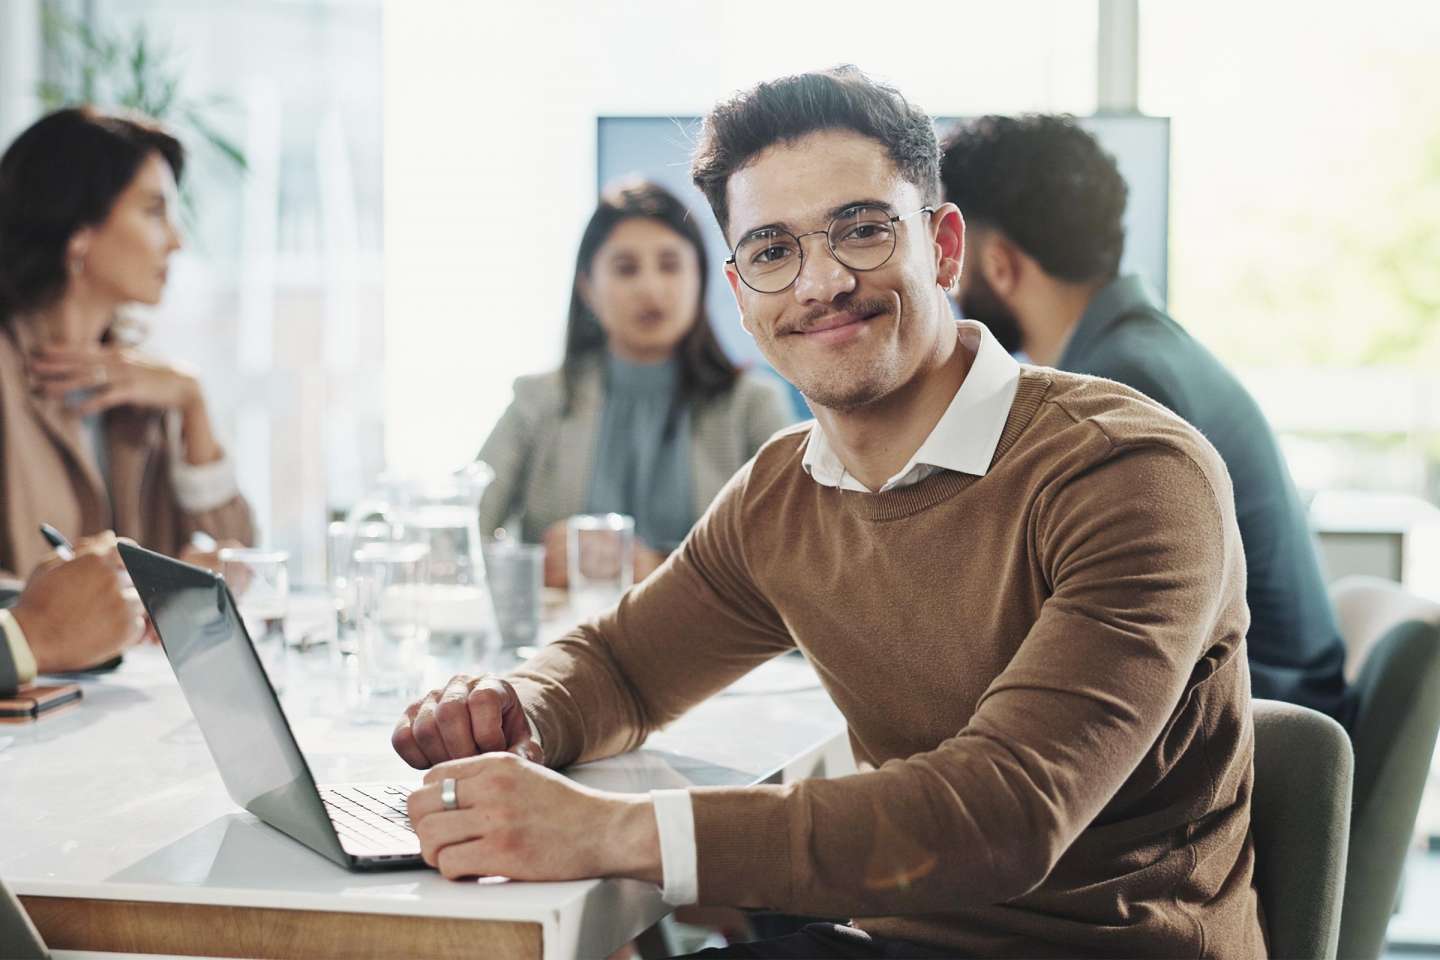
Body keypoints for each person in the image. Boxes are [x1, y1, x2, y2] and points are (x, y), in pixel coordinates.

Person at [393, 68, 1265, 958]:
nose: (819, 282)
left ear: (945, 246)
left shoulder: (1129, 472)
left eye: (862, 231)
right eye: (772, 251)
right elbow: (623, 667)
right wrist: (520, 709)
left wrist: (611, 831)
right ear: (740, 296)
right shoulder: (783, 493)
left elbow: (1005, 813)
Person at [940, 113, 1353, 730]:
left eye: (954, 256)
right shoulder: (1138, 349)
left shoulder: (1120, 385)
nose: (947, 284)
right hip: (1261, 702)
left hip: (1255, 731)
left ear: (998, 263)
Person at [0, 107, 254, 687]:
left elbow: (240, 559)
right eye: (153, 210)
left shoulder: (147, 388)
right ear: (78, 230)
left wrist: (193, 405)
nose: (178, 239)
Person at [475, 179, 793, 586]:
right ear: (588, 288)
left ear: (700, 278)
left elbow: (791, 561)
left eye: (670, 265)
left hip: (710, 646)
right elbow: (458, 536)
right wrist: (533, 568)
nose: (650, 288)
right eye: (626, 269)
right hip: (568, 639)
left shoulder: (752, 404)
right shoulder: (538, 400)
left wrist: (656, 568)